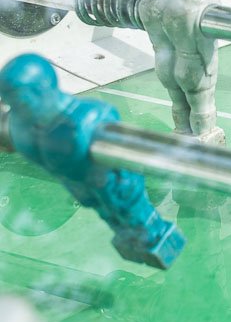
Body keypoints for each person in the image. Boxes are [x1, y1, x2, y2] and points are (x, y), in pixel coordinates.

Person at [0, 54, 185, 269]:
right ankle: (134, 239)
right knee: (109, 212)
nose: (20, 105)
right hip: (81, 185)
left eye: (22, 97)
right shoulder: (21, 128)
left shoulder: (90, 117)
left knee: (130, 206)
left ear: (44, 87)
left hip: (111, 181)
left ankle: (155, 238)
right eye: (12, 99)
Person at [138, 0, 224, 145]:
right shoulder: (202, 0)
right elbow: (206, 48)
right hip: (192, 64)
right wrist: (209, 70)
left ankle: (181, 138)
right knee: (203, 115)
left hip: (163, 62)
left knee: (178, 107)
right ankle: (205, 151)